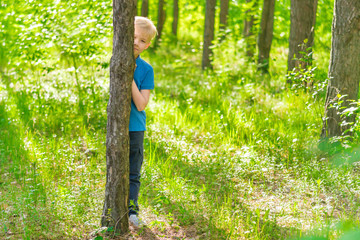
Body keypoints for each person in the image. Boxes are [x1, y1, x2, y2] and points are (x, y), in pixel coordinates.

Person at [128, 16, 157, 227]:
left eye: (142, 40)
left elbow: (141, 104)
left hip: (136, 127)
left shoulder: (146, 70)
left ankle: (131, 211)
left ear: (147, 45)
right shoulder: (115, 59)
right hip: (116, 129)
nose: (136, 42)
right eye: (134, 36)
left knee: (133, 171)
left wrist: (128, 77)